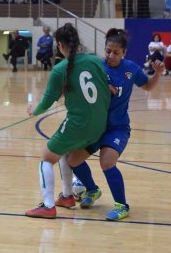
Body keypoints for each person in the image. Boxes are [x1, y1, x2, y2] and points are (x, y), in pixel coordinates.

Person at [55, 28, 165, 221]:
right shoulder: (96, 66)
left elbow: (148, 86)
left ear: (124, 52)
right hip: (94, 127)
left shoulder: (131, 68)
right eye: (108, 51)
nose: (110, 55)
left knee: (106, 162)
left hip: (117, 128)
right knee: (72, 160)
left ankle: (122, 206)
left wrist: (157, 74)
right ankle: (92, 190)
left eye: (116, 52)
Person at [25, 23, 111, 219]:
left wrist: (34, 111)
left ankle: (48, 207)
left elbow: (46, 102)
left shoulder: (60, 69)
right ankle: (66, 196)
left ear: (59, 44)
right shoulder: (95, 61)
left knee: (46, 158)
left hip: (79, 125)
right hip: (99, 125)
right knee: (64, 153)